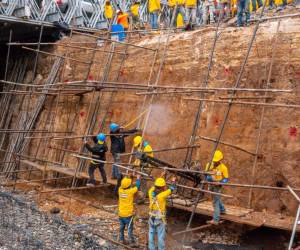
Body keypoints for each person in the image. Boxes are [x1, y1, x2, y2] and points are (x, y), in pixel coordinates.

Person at [148, 177, 176, 250]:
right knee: (160, 236)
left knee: (151, 234)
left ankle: (151, 248)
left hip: (151, 218)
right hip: (159, 219)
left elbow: (154, 187)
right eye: (164, 187)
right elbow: (172, 188)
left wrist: (161, 178)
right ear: (162, 187)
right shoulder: (162, 195)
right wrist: (173, 181)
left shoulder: (150, 192)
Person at [205, 150, 229, 225]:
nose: (215, 162)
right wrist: (210, 177)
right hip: (211, 184)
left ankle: (216, 219)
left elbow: (226, 178)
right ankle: (222, 210)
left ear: (220, 160)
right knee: (216, 198)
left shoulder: (223, 168)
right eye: (214, 161)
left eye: (217, 161)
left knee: (215, 201)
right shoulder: (209, 165)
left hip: (218, 186)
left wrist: (220, 182)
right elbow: (205, 174)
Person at [118, 175, 141, 246]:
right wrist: (138, 179)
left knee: (121, 228)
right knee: (129, 229)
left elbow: (125, 184)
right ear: (129, 186)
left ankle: (121, 239)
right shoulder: (130, 191)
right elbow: (137, 186)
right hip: (128, 215)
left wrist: (128, 178)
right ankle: (132, 242)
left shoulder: (120, 190)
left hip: (121, 214)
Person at [133, 136, 154, 202]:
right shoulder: (141, 147)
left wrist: (140, 162)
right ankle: (142, 194)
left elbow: (147, 159)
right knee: (141, 180)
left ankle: (143, 198)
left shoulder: (147, 148)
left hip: (147, 166)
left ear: (141, 143)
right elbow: (138, 158)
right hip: (143, 166)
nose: (138, 146)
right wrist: (134, 164)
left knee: (143, 181)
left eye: (138, 144)